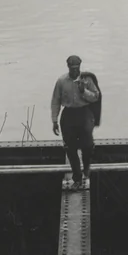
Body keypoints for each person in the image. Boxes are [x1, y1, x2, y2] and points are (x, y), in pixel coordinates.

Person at [51, 54, 101, 189]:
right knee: (70, 148)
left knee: (88, 145)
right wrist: (54, 120)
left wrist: (83, 91)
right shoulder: (61, 81)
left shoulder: (87, 79)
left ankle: (86, 169)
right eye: (72, 68)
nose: (74, 70)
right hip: (68, 114)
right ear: (68, 67)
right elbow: (55, 101)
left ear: (80, 66)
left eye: (76, 67)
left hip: (84, 113)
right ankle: (77, 178)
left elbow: (95, 97)